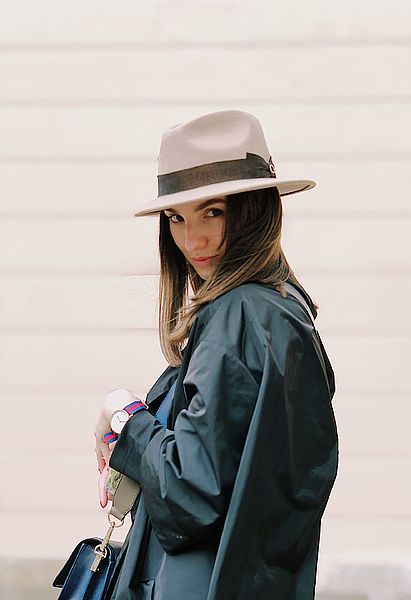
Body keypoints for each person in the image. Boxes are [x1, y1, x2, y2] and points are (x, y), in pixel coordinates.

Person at [93, 109, 338, 599]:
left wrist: (124, 416)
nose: (193, 239)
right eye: (177, 218)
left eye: (215, 211)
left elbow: (189, 493)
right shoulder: (284, 310)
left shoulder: (238, 313)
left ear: (256, 210)